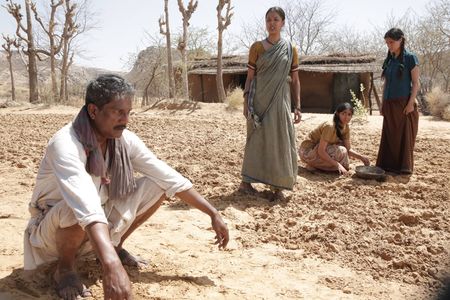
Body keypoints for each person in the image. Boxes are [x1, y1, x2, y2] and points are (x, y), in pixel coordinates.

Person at [23, 74, 229, 300]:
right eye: (117, 112)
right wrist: (111, 266)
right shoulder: (65, 144)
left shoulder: (122, 139)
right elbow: (85, 203)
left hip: (95, 224)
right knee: (78, 205)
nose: (126, 119)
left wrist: (213, 212)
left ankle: (115, 246)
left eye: (128, 112)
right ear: (93, 111)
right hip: (50, 234)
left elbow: (166, 175)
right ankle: (65, 269)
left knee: (157, 183)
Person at [239, 6, 301, 201]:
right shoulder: (256, 47)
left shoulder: (290, 49)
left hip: (281, 100)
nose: (272, 23)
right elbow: (250, 77)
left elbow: (296, 80)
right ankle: (246, 182)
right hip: (258, 100)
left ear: (282, 23)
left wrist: (298, 105)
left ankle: (278, 185)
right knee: (256, 139)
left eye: (276, 19)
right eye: (268, 20)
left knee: (281, 139)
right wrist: (245, 100)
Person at [376, 27, 419, 174]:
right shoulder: (389, 60)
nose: (389, 45)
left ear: (401, 40)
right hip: (389, 103)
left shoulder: (410, 58)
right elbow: (386, 84)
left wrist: (411, 103)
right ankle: (388, 166)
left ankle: (403, 168)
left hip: (404, 104)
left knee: (403, 136)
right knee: (389, 136)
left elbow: (416, 83)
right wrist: (382, 104)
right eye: (387, 43)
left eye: (391, 42)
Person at [298, 102, 370, 174]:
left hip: (320, 150)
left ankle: (319, 166)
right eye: (343, 113)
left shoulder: (346, 127)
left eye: (349, 114)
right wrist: (337, 164)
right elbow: (321, 150)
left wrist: (362, 158)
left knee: (344, 157)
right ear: (338, 114)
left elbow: (349, 149)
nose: (346, 117)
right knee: (340, 151)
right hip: (307, 152)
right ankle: (312, 164)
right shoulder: (330, 126)